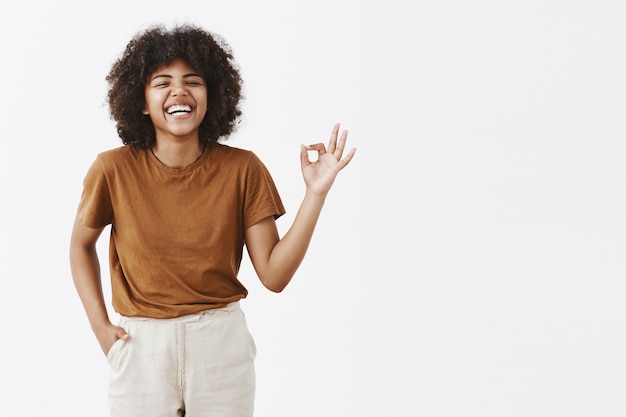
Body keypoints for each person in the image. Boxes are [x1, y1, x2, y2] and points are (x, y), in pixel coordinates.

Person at [69, 23, 355, 417]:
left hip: (220, 344)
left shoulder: (243, 169)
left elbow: (273, 275)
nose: (179, 91)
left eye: (193, 81)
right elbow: (80, 246)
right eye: (162, 82)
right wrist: (102, 328)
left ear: (211, 95)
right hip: (141, 345)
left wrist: (315, 194)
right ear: (142, 101)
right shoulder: (111, 169)